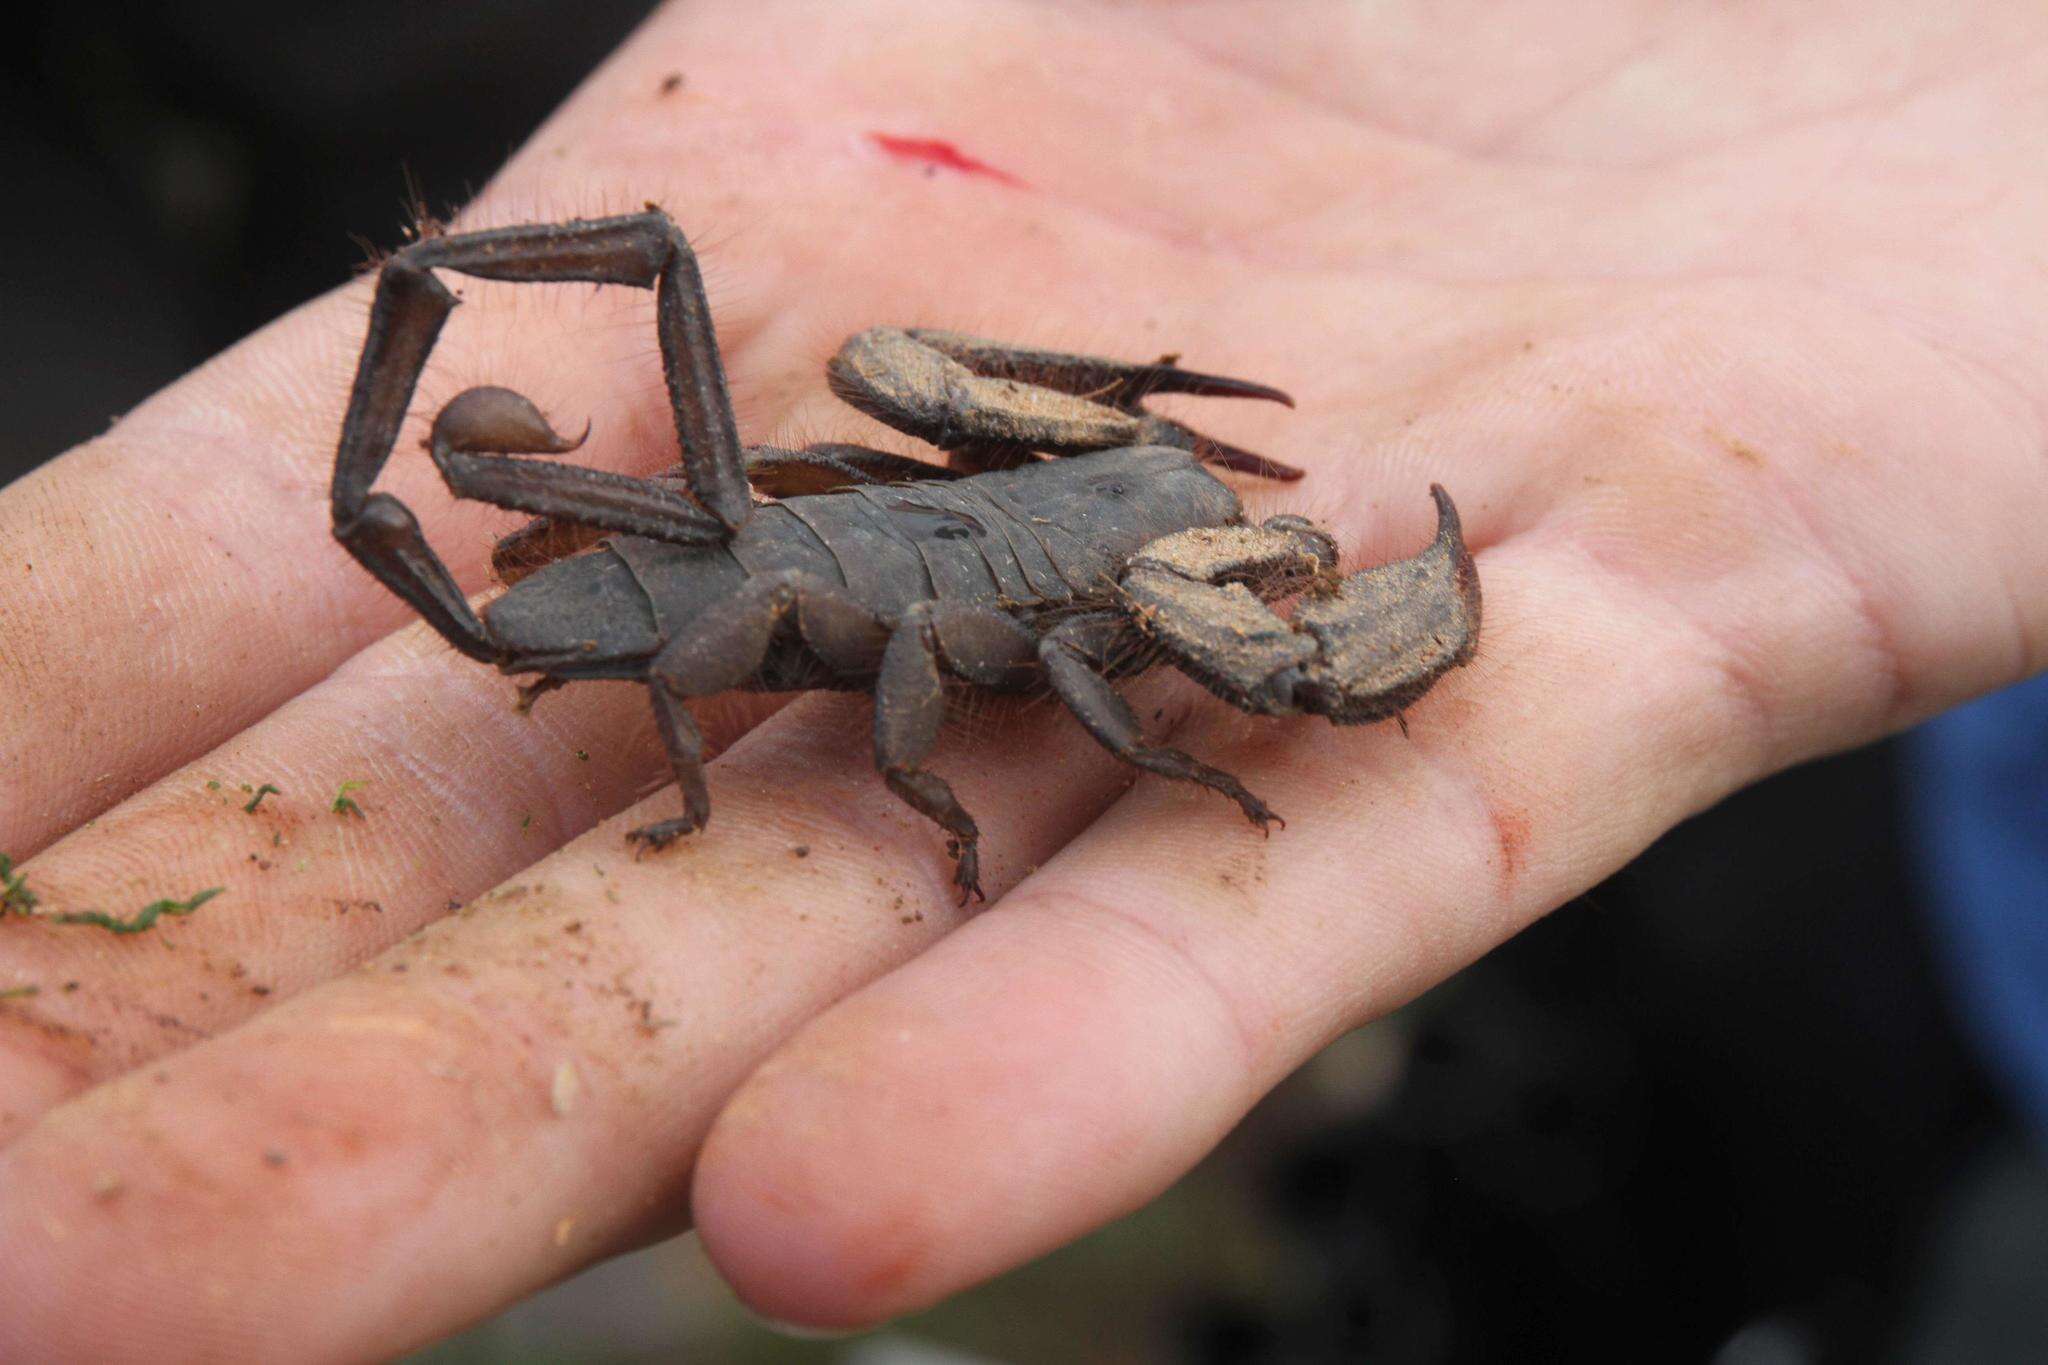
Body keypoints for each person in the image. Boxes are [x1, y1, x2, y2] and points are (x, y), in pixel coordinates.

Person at [0, 2, 2042, 1356]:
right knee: (962, 605)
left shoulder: (1079, 507)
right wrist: (830, 768)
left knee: (874, 549)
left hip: (774, 552)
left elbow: (878, 470)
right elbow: (959, 616)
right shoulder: (1107, 585)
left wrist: (1115, 456)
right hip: (766, 582)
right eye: (1154, 453)